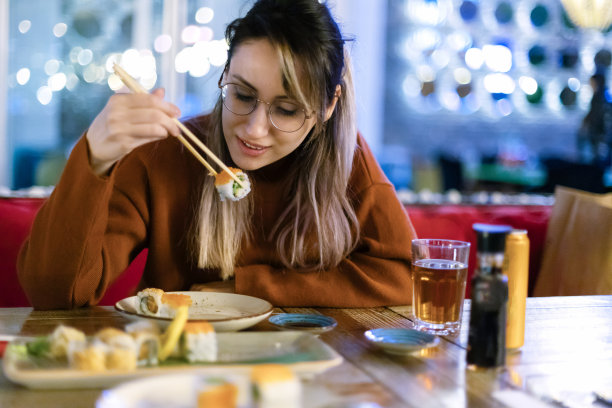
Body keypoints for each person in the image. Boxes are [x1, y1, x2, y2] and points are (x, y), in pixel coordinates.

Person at [18, 0, 416, 310]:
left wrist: (246, 288)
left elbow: (408, 276)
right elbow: (56, 296)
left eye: (287, 109)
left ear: (328, 107)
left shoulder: (345, 159)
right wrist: (93, 158)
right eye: (242, 95)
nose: (254, 129)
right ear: (224, 73)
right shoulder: (165, 153)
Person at [577, 72, 612, 167]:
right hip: (596, 131)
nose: (590, 85)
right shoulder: (598, 96)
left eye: (592, 83)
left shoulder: (602, 97)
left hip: (599, 131)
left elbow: (601, 115)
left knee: (600, 155)